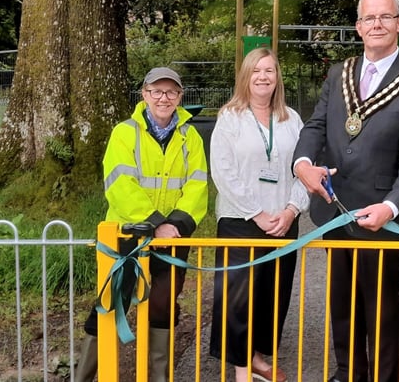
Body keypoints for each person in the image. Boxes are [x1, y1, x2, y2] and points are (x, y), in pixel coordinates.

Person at [292, 0, 399, 382]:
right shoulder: (338, 73)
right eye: (369, 18)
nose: (377, 24)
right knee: (341, 302)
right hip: (336, 209)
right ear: (358, 26)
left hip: (382, 214)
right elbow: (316, 126)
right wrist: (302, 164)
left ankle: (385, 377)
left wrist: (391, 207)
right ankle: (348, 373)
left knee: (381, 307)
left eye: (385, 16)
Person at [75, 67, 209, 382]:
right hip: (125, 236)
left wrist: (174, 225)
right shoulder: (124, 132)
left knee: (163, 305)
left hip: (173, 238)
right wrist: (154, 224)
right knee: (110, 304)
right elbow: (120, 184)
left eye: (171, 92)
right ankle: (84, 376)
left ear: (179, 97)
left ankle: (158, 376)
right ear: (145, 95)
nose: (164, 98)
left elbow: (198, 185)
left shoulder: (191, 137)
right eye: (157, 91)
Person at [208, 47, 309, 382]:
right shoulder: (230, 118)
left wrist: (292, 210)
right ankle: (241, 369)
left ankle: (258, 357)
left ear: (278, 77)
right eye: (256, 71)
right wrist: (257, 213)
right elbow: (223, 173)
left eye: (270, 70)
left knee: (272, 294)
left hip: (283, 221)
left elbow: (303, 170)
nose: (264, 77)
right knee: (238, 297)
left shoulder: (291, 119)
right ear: (245, 77)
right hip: (241, 221)